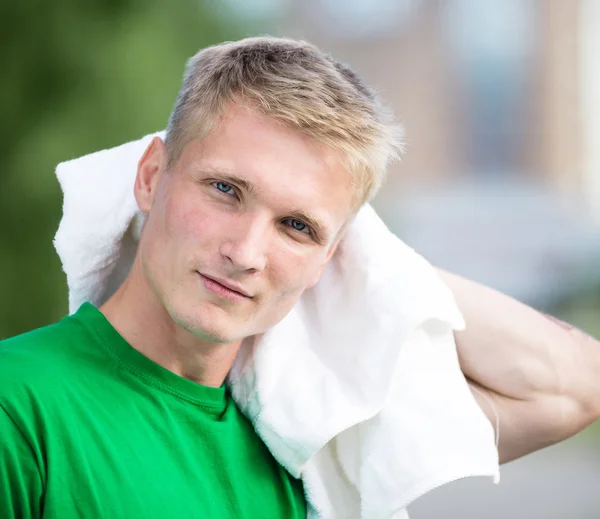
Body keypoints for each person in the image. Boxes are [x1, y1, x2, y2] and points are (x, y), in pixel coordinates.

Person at [0, 36, 598, 518]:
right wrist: (312, 228)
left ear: (338, 257)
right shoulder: (19, 407)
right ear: (152, 176)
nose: (246, 252)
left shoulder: (312, 438)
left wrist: (373, 260)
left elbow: (574, 389)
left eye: (296, 226)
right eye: (226, 190)